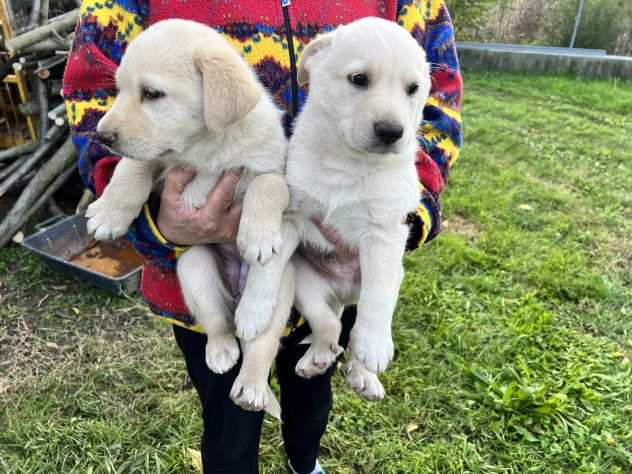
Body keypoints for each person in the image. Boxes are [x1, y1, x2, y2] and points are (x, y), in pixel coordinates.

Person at [62, 1, 463, 472]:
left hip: (328, 264)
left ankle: (304, 460)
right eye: (359, 80)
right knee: (228, 419)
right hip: (202, 263)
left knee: (313, 394)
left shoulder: (413, 10)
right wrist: (152, 222)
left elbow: (438, 107)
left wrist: (403, 217)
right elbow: (97, 111)